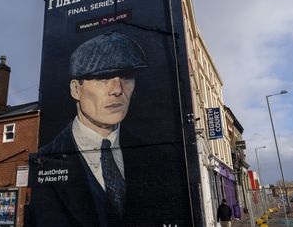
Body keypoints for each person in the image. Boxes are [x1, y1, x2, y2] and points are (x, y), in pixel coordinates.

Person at [26, 32, 189, 226]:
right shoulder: (41, 163)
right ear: (76, 89)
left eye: (127, 76)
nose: (117, 89)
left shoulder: (158, 158)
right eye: (103, 77)